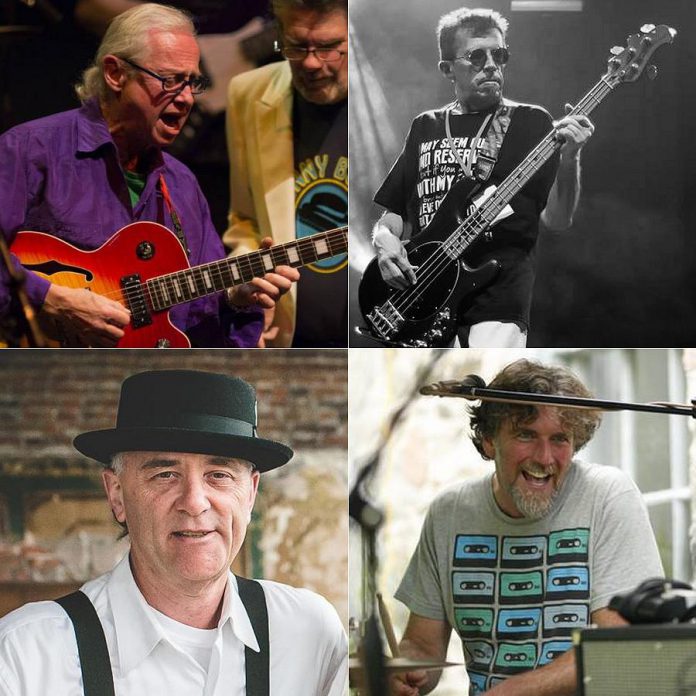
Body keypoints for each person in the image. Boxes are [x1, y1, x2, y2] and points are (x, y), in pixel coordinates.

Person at [0, 369, 347, 695]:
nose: (194, 503)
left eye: (219, 475)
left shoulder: (310, 635)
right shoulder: (26, 655)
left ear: (251, 494)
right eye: (165, 474)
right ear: (117, 494)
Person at [0, 3, 299, 347]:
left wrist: (235, 299)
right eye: (171, 80)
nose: (186, 98)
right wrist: (52, 298)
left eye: (192, 82)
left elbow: (196, 319)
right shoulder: (30, 149)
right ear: (115, 74)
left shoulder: (181, 184)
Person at [392, 359, 663, 695]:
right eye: (526, 435)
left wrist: (515, 690)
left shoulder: (607, 495)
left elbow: (621, 642)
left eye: (560, 439)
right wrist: (405, 672)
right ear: (490, 441)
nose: (545, 457)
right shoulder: (449, 513)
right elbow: (421, 645)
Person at [371, 7, 594, 348]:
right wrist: (384, 244)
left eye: (499, 54)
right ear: (448, 68)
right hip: (422, 292)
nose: (491, 64)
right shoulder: (425, 125)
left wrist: (570, 158)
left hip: (498, 296)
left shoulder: (530, 122)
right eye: (476, 56)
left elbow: (559, 219)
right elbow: (392, 216)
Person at [223, 0, 348, 347]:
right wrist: (247, 290)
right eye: (295, 46)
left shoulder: (407, 99)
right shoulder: (248, 93)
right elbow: (244, 220)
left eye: (327, 47)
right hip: (290, 341)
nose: (309, 62)